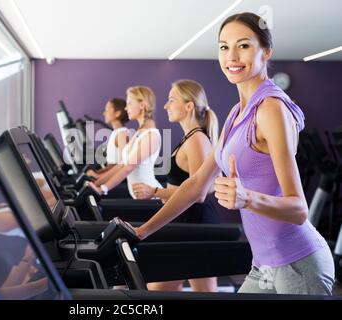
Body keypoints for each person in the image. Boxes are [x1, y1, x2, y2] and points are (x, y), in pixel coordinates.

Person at [132, 12, 335, 295]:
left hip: (298, 264)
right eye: (224, 47)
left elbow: (299, 210)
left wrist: (247, 198)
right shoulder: (236, 113)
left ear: (265, 52)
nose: (232, 56)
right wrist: (142, 231)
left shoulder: (271, 109)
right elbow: (195, 185)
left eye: (243, 45)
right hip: (262, 264)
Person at [132, 79, 220, 292]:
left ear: (189, 106)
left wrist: (155, 191)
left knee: (201, 291)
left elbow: (198, 192)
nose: (165, 106)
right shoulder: (189, 138)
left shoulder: (197, 140)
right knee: (163, 288)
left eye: (171, 100)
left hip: (195, 223)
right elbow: (186, 185)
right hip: (185, 220)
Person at [89, 86, 163, 199]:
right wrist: (97, 182)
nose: (126, 108)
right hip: (138, 197)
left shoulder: (150, 135)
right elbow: (122, 164)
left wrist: (102, 189)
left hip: (150, 198)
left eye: (129, 103)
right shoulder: (140, 132)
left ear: (142, 105)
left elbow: (128, 167)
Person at [87, 98, 130, 179]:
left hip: (119, 180)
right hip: (113, 175)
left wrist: (98, 176)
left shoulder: (122, 134)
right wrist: (96, 173)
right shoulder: (116, 133)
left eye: (107, 110)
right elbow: (112, 166)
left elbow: (123, 165)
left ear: (117, 113)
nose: (104, 113)